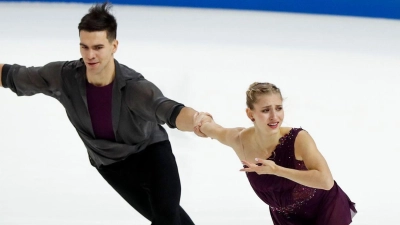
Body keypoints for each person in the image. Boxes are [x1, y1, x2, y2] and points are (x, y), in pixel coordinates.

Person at [0, 2, 211, 225]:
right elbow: (13, 75)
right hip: (112, 165)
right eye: (84, 47)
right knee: (170, 219)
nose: (90, 55)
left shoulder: (134, 87)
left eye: (98, 47)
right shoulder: (64, 77)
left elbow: (169, 110)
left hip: (152, 153)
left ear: (114, 46)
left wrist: (197, 120)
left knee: (167, 216)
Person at [194, 82, 357, 224]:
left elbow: (326, 181)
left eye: (278, 108)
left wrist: (276, 170)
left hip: (324, 210)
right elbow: (211, 128)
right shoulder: (240, 140)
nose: (274, 117)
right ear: (250, 114)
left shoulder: (298, 139)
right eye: (265, 110)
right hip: (286, 217)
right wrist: (203, 120)